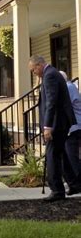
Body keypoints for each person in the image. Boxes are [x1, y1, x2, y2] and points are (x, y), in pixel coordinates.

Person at [29, 56, 77, 201]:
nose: (34, 73)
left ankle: (57, 190)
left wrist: (47, 126)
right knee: (61, 154)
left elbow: (51, 102)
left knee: (52, 156)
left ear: (39, 65)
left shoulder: (49, 76)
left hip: (56, 123)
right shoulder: (53, 73)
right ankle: (75, 183)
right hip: (61, 122)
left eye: (33, 70)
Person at [60, 71, 81, 192]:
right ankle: (74, 184)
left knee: (72, 157)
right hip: (73, 127)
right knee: (69, 157)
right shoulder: (71, 87)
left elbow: (64, 106)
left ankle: (77, 183)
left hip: (73, 128)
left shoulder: (68, 87)